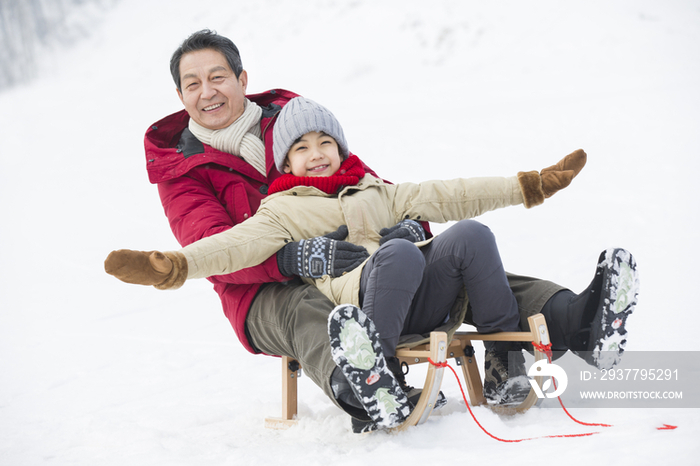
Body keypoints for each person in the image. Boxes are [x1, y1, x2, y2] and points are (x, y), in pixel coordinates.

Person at [108, 29, 639, 432]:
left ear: (242, 80)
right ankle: (362, 385)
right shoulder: (181, 170)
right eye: (192, 83)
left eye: (217, 77)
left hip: (370, 267)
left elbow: (388, 190)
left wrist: (415, 226)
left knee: (461, 256)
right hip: (258, 290)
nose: (207, 91)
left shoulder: (296, 120)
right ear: (180, 95)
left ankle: (576, 319)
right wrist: (284, 261)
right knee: (304, 308)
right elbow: (223, 246)